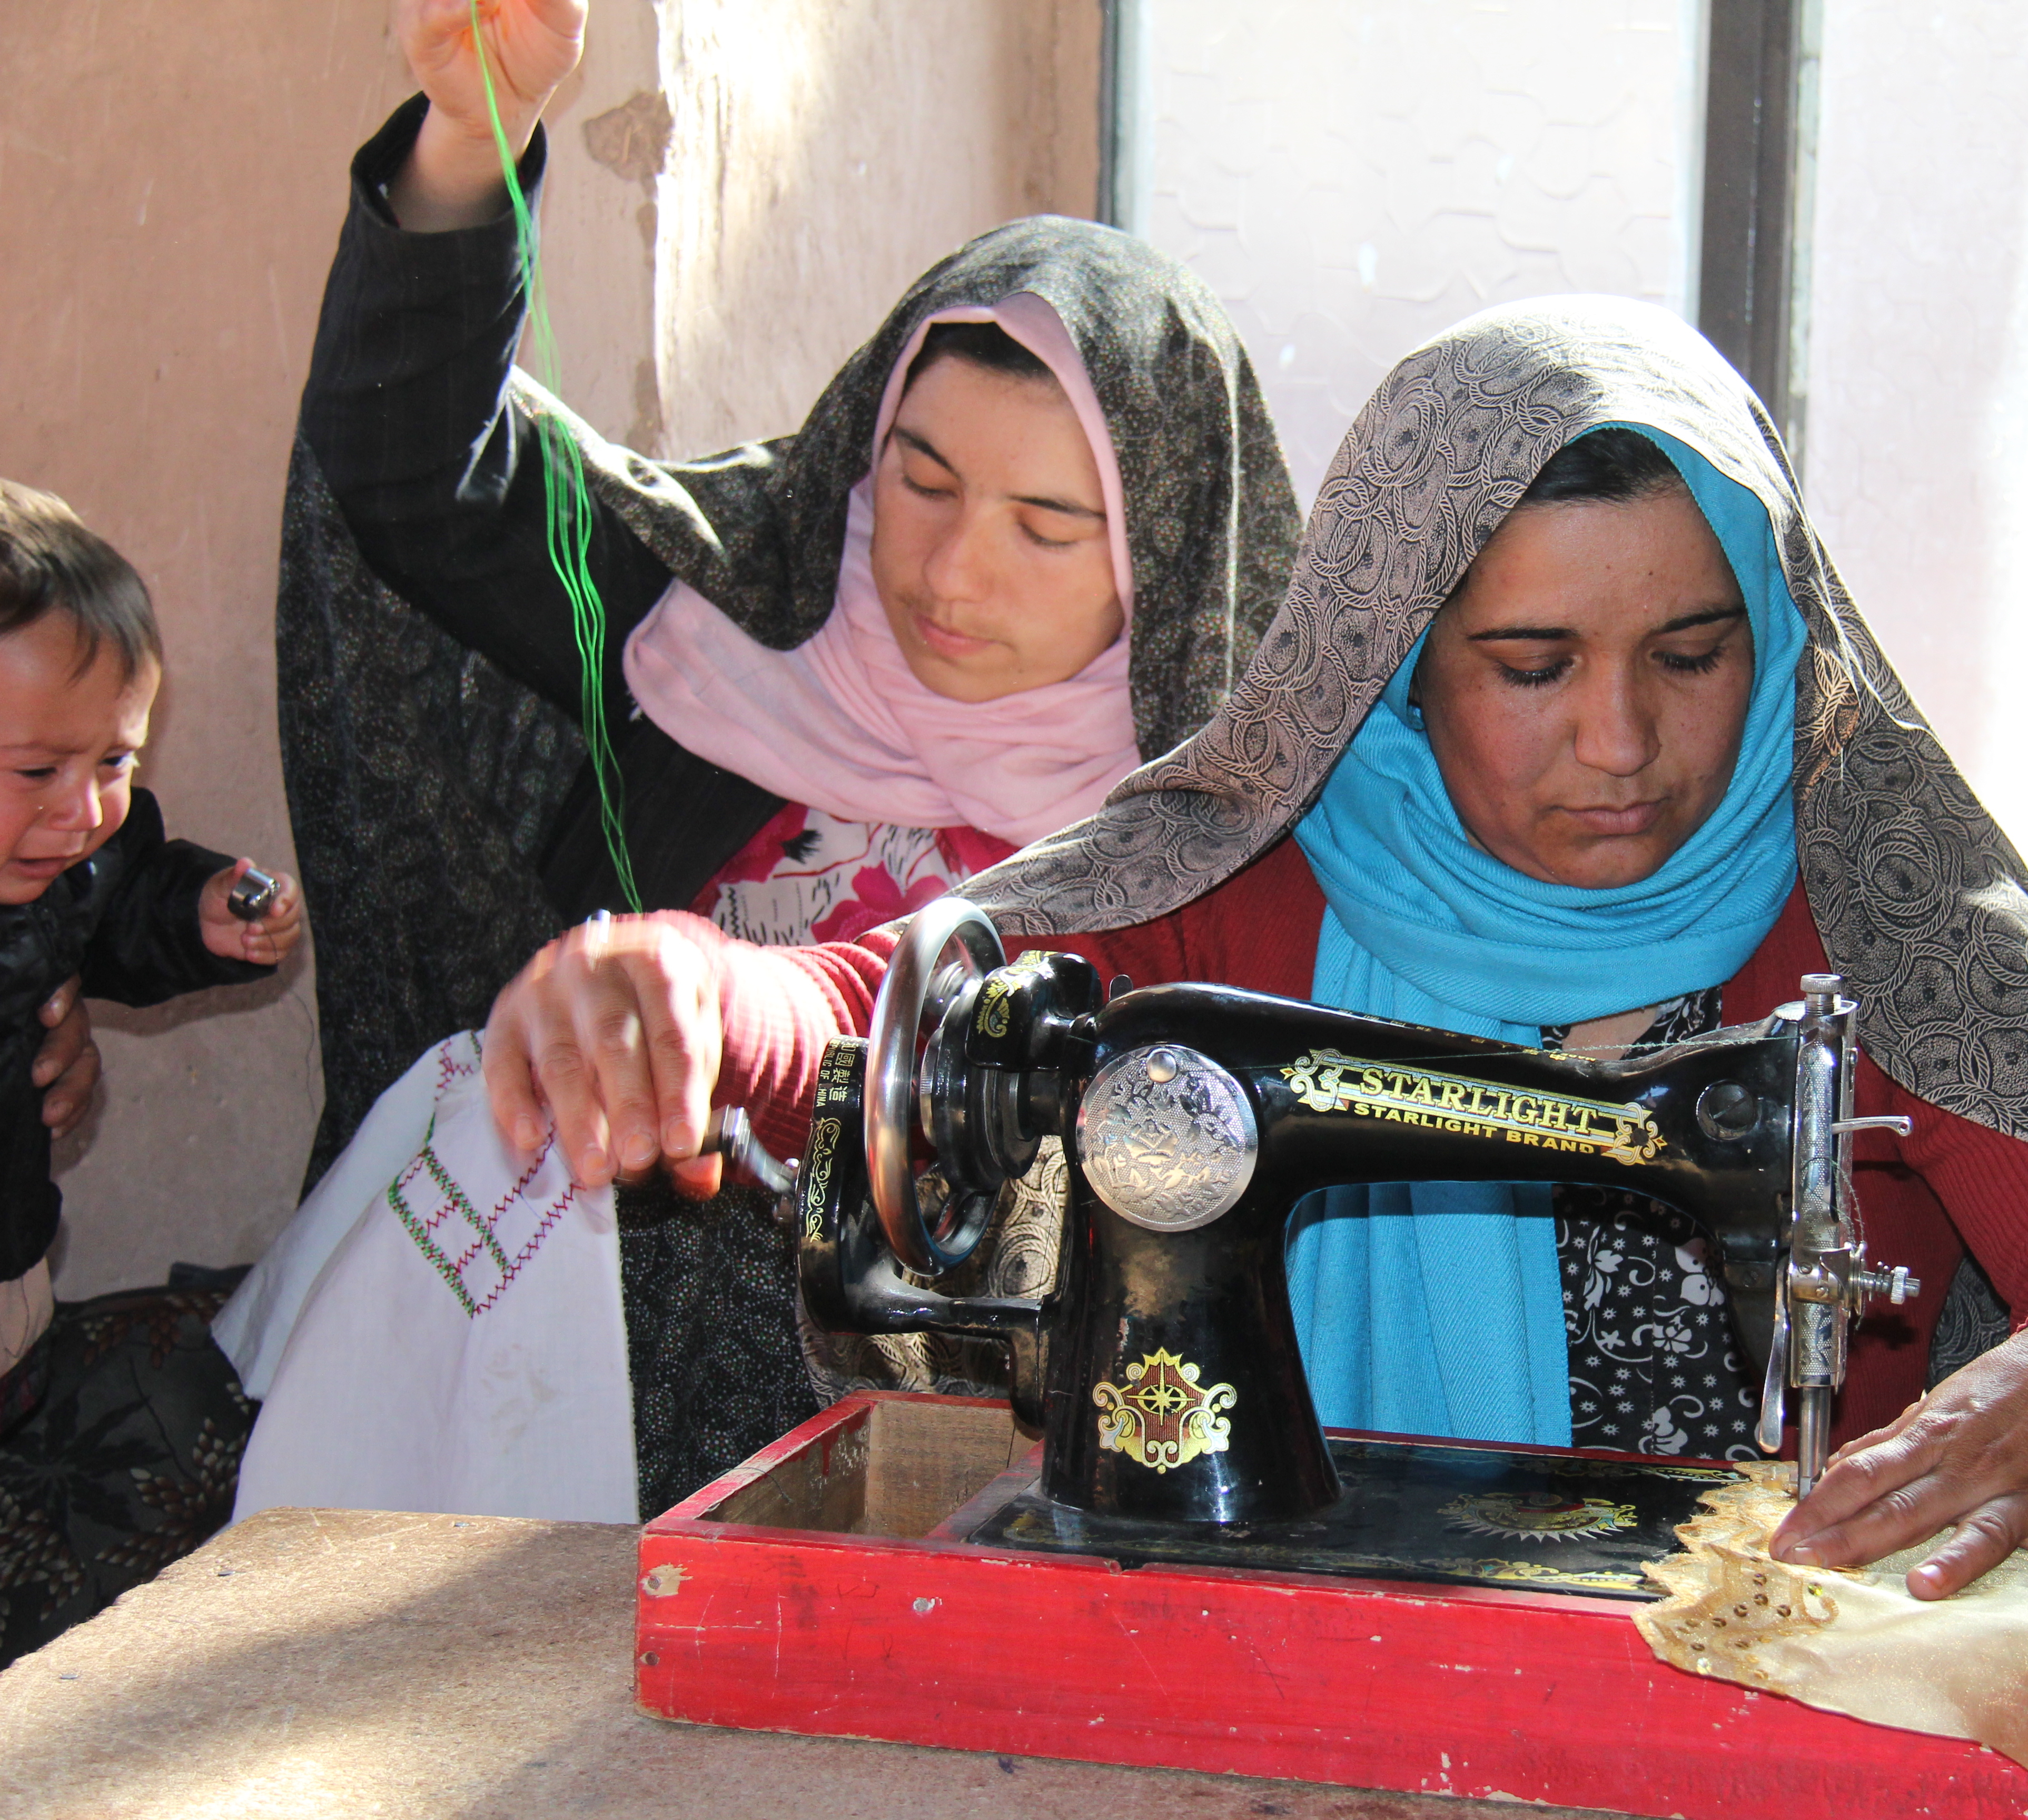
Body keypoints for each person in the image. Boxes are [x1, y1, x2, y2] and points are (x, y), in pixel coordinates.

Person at [477, 296, 2028, 1599]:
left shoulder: (1866, 911)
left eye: (1690, 650)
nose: (1622, 742)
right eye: (1530, 664)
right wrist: (701, 994)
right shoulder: (1249, 878)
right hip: (1269, 1674)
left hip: (1766, 1687)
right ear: (1396, 665)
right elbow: (895, 1012)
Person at [224, 0, 1298, 1518]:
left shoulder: (1213, 822)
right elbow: (412, 477)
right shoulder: (735, 609)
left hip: (946, 1477)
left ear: (1162, 560)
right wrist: (474, 138)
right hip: (563, 1402)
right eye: (915, 479)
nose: (947, 571)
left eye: (1048, 527)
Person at [0, 481, 305, 1661]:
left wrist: (198, 909)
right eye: (35, 773)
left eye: (114, 760)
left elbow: (125, 892)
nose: (81, 811)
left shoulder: (67, 858)